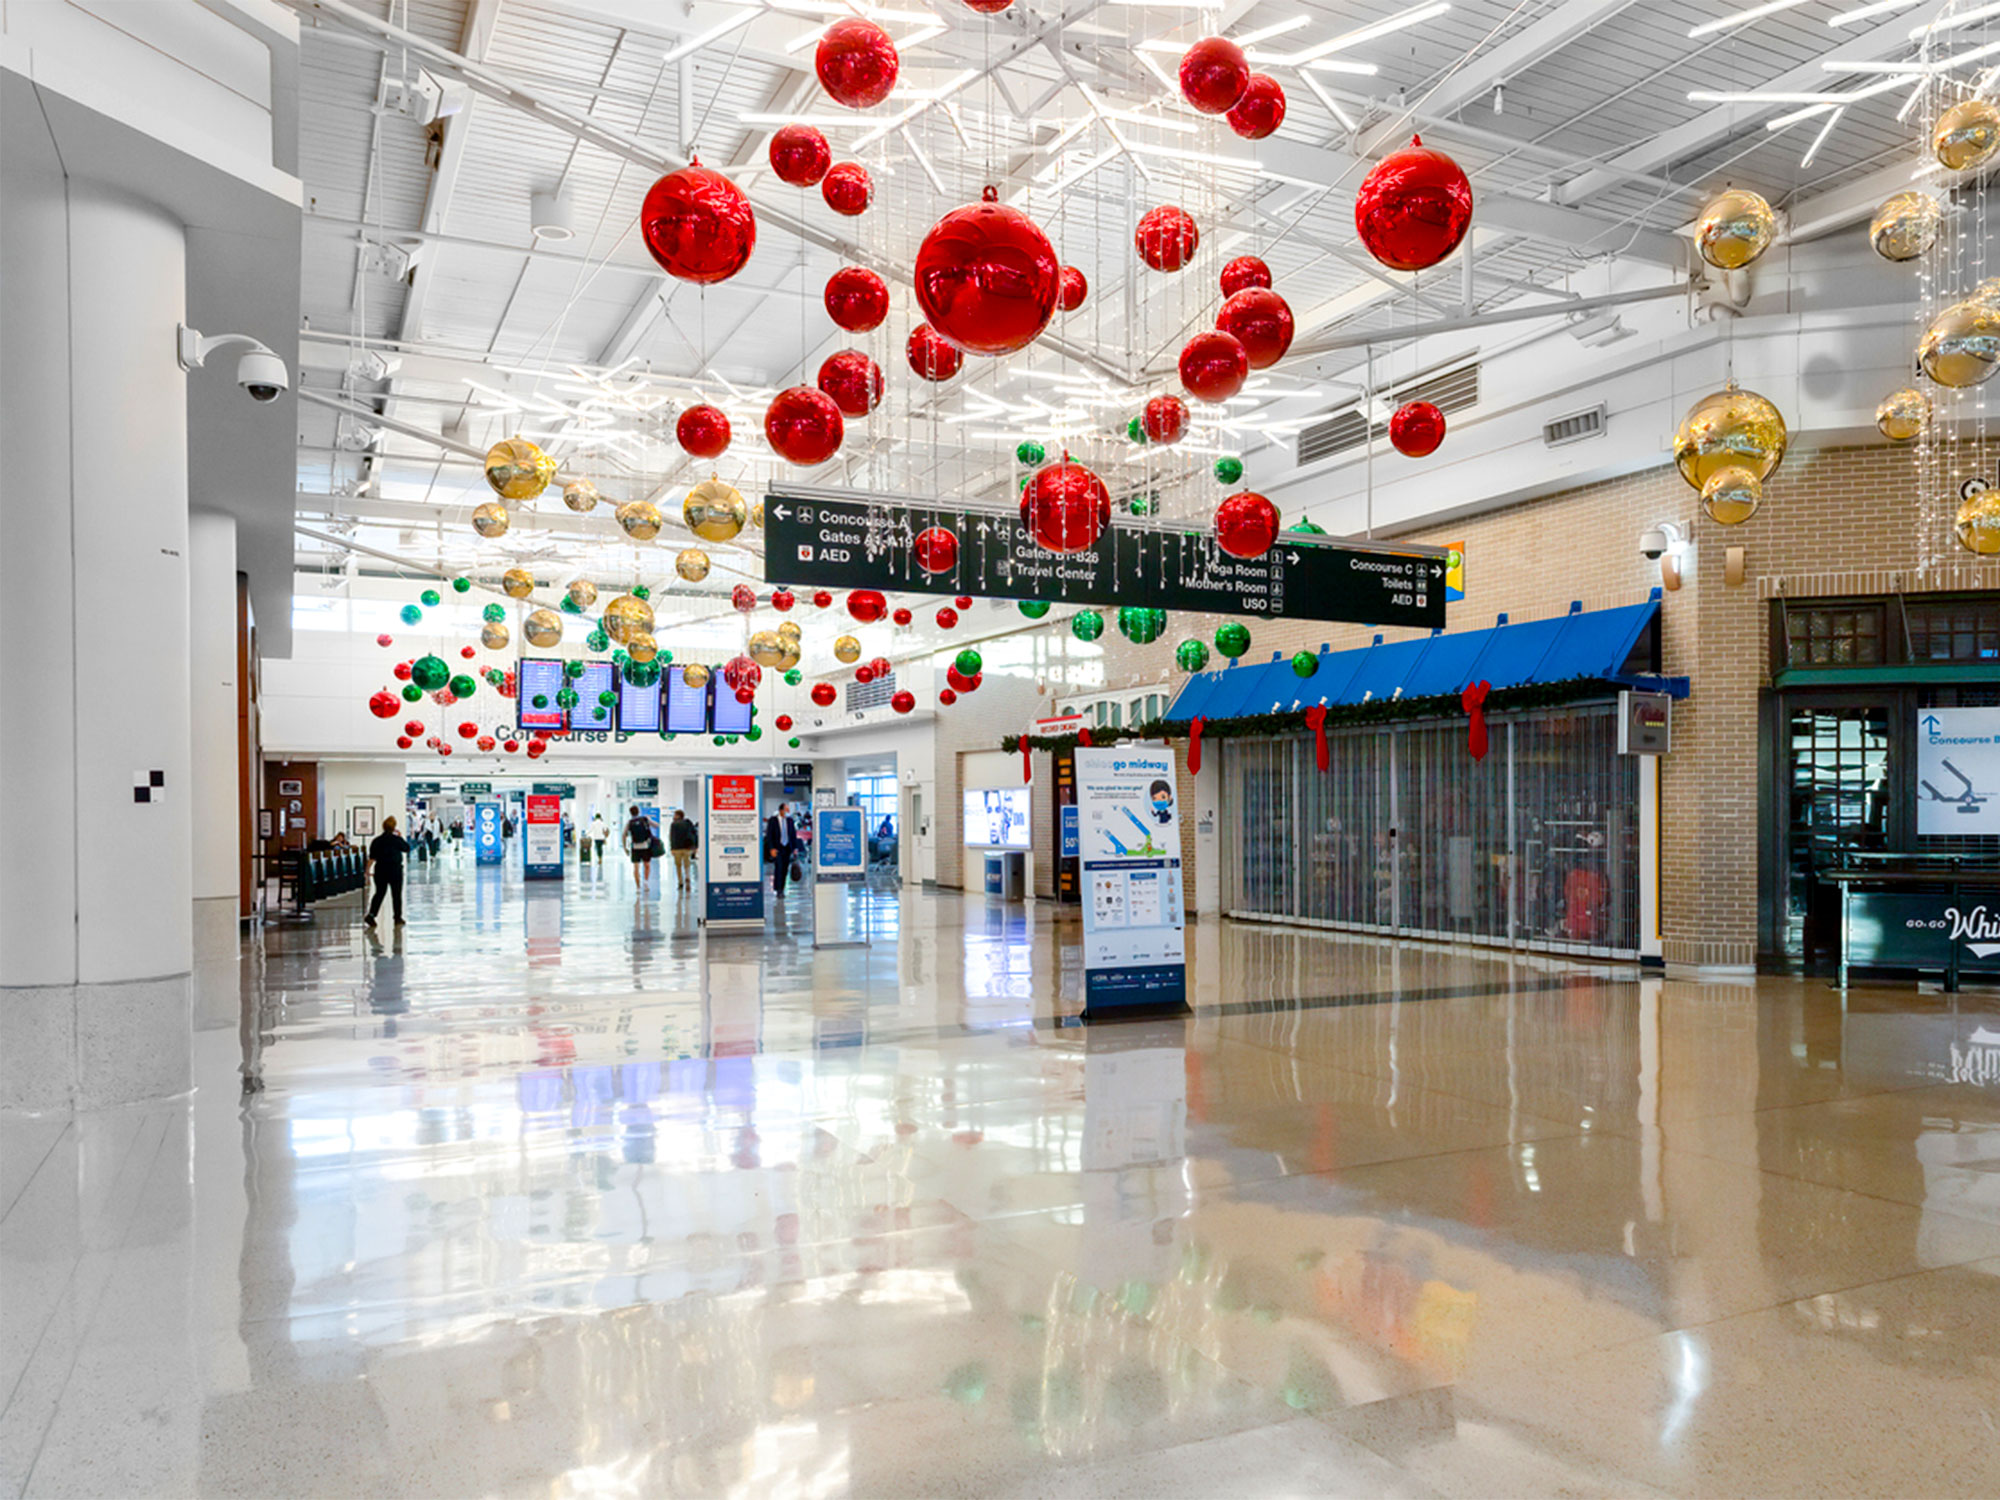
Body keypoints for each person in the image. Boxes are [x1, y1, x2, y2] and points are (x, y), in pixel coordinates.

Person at [364, 815, 410, 927]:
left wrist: (367, 871)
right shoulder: (397, 840)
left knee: (379, 893)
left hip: (381, 870)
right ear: (394, 827)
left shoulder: (377, 841)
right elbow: (407, 848)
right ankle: (397, 917)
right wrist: (401, 837)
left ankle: (371, 915)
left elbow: (372, 858)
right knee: (396, 894)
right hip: (395, 870)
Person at [765, 802, 799, 898]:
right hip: (777, 848)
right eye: (786, 810)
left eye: (788, 810)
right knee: (779, 868)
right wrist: (771, 848)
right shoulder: (773, 820)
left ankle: (781, 888)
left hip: (787, 848)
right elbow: (769, 836)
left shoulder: (790, 820)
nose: (788, 812)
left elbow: (793, 835)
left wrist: (795, 848)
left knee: (784, 869)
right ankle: (779, 890)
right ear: (780, 810)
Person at [624, 803, 658, 893]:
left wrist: (625, 848)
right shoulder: (644, 819)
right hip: (645, 846)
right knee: (647, 865)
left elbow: (624, 835)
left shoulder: (629, 822)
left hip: (635, 847)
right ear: (638, 811)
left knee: (636, 868)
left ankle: (638, 887)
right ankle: (646, 883)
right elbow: (656, 825)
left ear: (630, 813)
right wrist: (649, 819)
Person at [668, 808, 698, 891]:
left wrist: (672, 848)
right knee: (687, 863)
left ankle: (680, 882)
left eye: (674, 815)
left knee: (678, 866)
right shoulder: (688, 823)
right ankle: (687, 876)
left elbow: (672, 837)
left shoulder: (673, 824)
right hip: (687, 847)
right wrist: (695, 846)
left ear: (678, 816)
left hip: (677, 848)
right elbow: (694, 834)